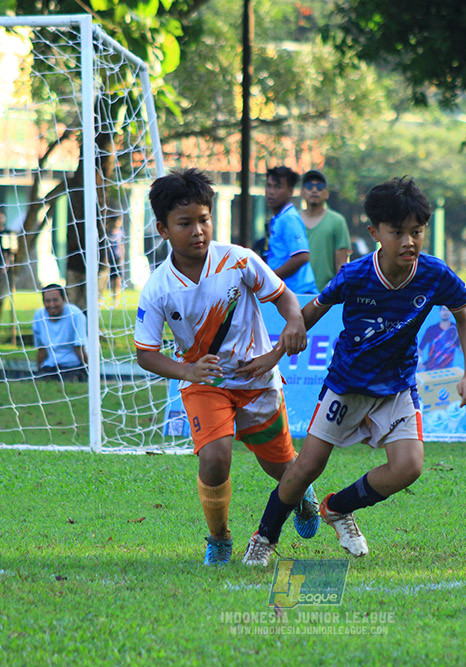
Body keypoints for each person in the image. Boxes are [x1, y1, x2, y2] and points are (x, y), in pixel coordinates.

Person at [241, 177, 466, 566]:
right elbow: (312, 311)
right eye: (397, 232)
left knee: (409, 466)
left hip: (397, 386)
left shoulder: (434, 274)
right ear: (375, 234)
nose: (409, 241)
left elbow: (464, 318)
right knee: (306, 467)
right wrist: (274, 354)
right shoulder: (355, 275)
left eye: (416, 232)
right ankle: (264, 536)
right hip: (347, 385)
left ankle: (337, 507)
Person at [133, 168, 321, 566]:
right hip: (206, 384)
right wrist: (189, 372)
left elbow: (283, 296)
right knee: (215, 458)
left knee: (282, 468)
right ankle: (219, 538)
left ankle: (302, 495)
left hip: (257, 380)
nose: (198, 230)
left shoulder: (239, 260)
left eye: (204, 219)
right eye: (185, 223)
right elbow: (146, 354)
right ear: (163, 229)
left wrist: (293, 322)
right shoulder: (158, 288)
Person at [264, 166, 317, 294]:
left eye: (277, 187)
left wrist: (269, 278)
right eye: (269, 185)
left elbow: (302, 256)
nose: (271, 191)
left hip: (300, 293)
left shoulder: (289, 218)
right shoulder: (279, 218)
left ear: (290, 191)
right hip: (289, 293)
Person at [300, 169, 351, 291]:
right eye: (309, 186)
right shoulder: (292, 220)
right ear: (302, 192)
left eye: (319, 186)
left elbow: (341, 265)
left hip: (326, 296)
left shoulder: (337, 221)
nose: (314, 190)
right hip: (295, 293)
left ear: (326, 193)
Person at [33, 283, 87, 381]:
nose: (51, 305)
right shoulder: (39, 316)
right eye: (48, 301)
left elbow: (79, 347)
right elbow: (41, 349)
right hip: (50, 367)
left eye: (55, 300)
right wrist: (38, 371)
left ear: (64, 300)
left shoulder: (76, 314)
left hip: (72, 367)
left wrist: (88, 371)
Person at [417, 305, 460, 372]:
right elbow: (420, 349)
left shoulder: (457, 329)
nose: (445, 312)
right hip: (430, 370)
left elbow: (462, 349)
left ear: (451, 312)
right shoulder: (431, 329)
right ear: (440, 312)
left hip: (448, 371)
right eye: (443, 310)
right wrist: (419, 363)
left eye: (448, 310)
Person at [105, 216, 126, 307]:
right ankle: (102, 299)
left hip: (117, 259)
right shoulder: (107, 234)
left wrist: (122, 258)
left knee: (117, 281)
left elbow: (122, 247)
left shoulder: (121, 234)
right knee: (106, 279)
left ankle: (115, 300)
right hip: (108, 259)